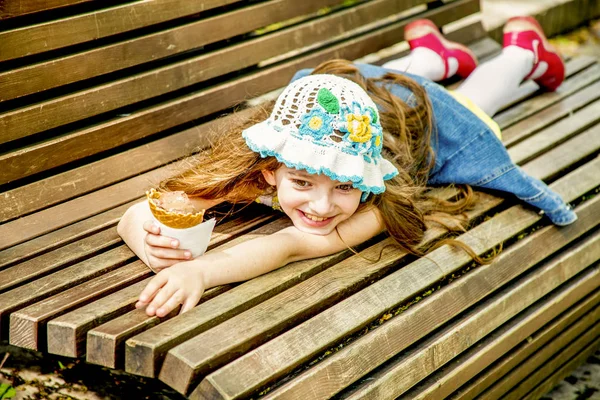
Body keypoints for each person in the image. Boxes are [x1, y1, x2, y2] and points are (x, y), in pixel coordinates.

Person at [117, 16, 576, 318]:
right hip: (365, 92)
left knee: (471, 108)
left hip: (425, 121)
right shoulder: (256, 161)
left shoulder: (376, 201)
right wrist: (150, 244)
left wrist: (202, 271)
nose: (322, 206)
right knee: (379, 87)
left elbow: (289, 246)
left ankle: (522, 55)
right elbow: (140, 212)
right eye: (301, 181)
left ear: (365, 179)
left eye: (344, 185)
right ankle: (435, 58)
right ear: (268, 174)